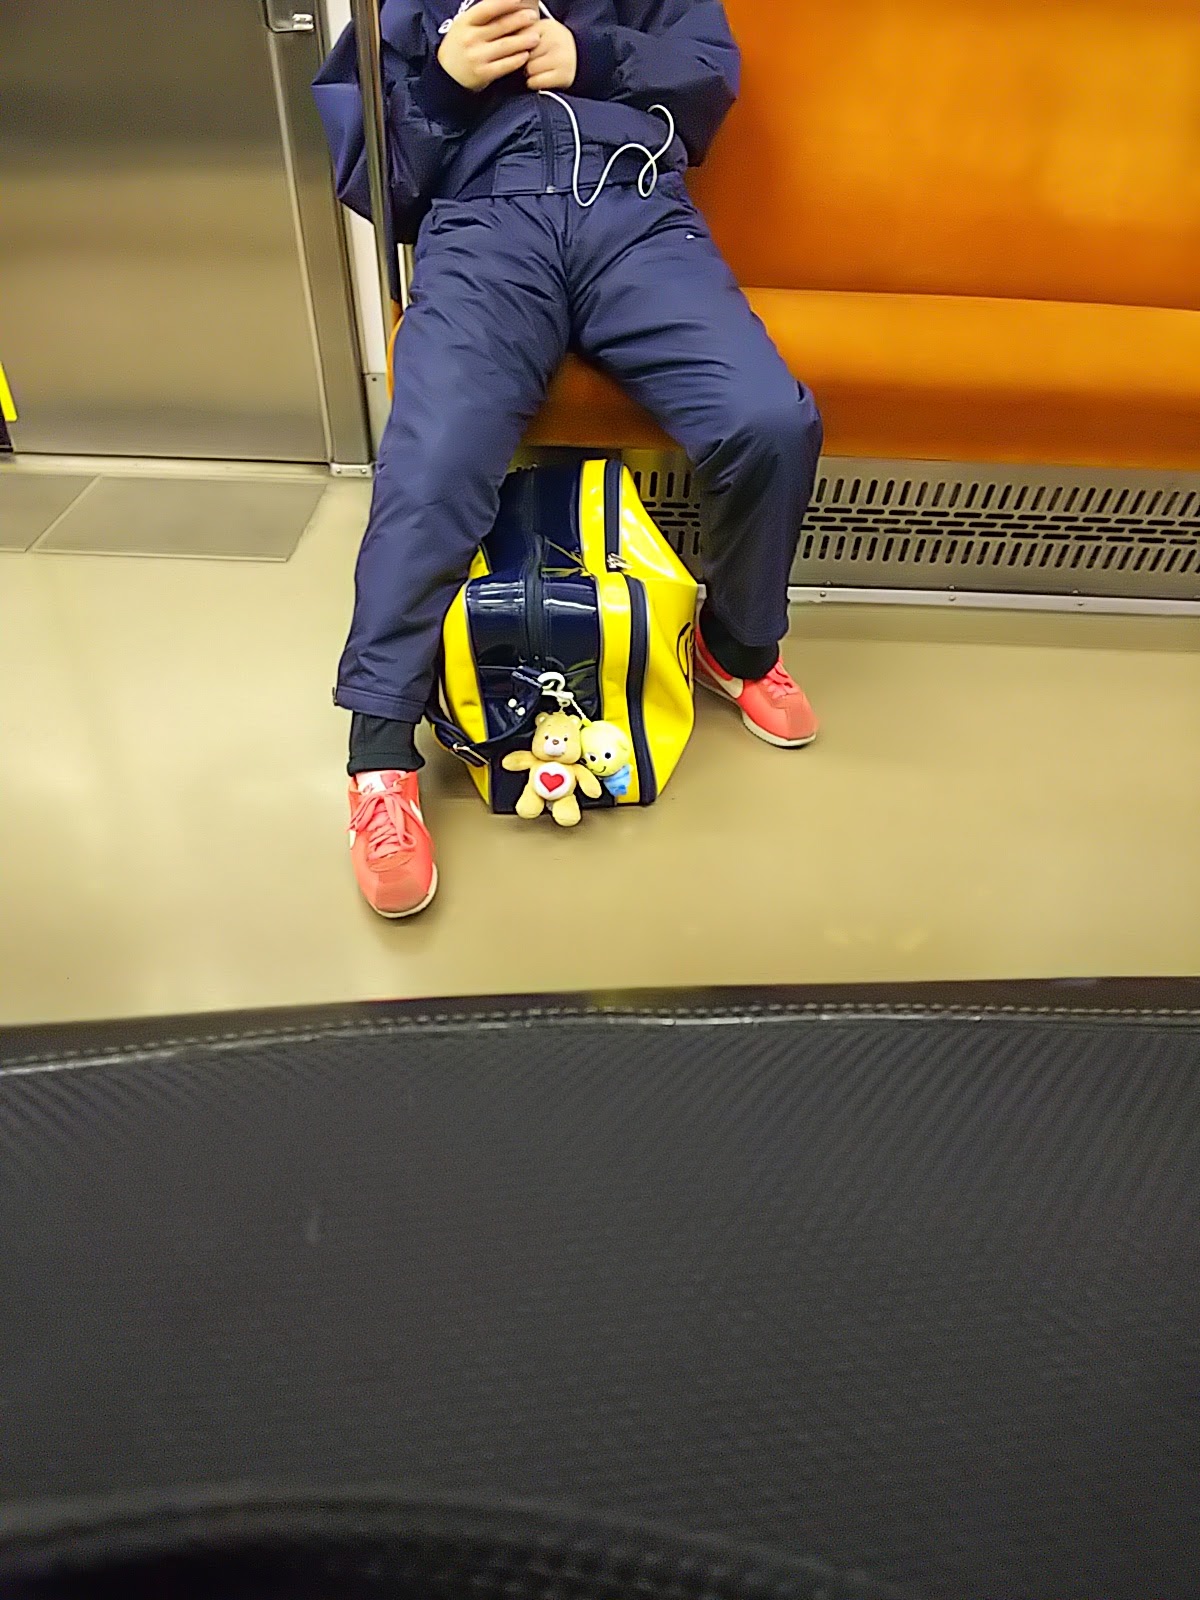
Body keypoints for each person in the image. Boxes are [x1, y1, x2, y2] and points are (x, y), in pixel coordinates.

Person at [314, 0, 823, 919]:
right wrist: (445, 85)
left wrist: (588, 54)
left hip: (635, 210)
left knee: (768, 421)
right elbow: (377, 183)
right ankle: (380, 754)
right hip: (486, 223)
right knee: (434, 458)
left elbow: (707, 76)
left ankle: (738, 644)